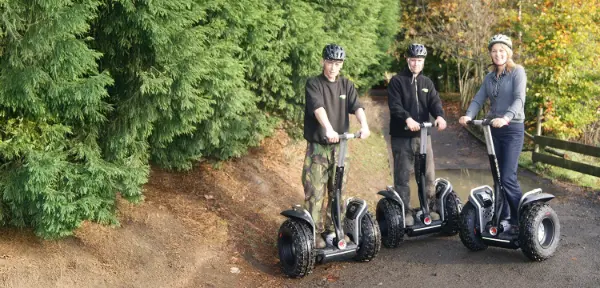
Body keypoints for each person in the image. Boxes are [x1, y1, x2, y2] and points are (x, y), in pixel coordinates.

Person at [302, 44, 371, 248]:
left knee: (338, 190)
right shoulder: (314, 84)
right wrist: (329, 129)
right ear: (324, 61)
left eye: (338, 63)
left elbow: (357, 106)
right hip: (318, 148)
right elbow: (318, 108)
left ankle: (333, 231)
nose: (333, 67)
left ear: (341, 65)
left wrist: (365, 125)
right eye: (330, 62)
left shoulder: (346, 85)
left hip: (340, 148)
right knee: (315, 191)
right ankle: (314, 234)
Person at [459, 34, 526, 234]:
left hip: (512, 129)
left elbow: (519, 99)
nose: (498, 54)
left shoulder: (517, 72)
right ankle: (503, 215)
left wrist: (506, 117)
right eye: (494, 51)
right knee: (497, 177)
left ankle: (519, 217)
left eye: (501, 50)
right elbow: (479, 99)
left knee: (507, 177)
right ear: (491, 54)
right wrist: (468, 115)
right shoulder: (489, 78)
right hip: (494, 130)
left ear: (508, 52)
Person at [387, 43, 447, 226]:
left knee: (428, 174)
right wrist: (407, 119)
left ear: (423, 62)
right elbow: (395, 105)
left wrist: (440, 116)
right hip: (402, 136)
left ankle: (428, 208)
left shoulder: (427, 83)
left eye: (419, 61)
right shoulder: (397, 81)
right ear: (407, 60)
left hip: (423, 136)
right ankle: (404, 212)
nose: (415, 64)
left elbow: (434, 102)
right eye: (413, 60)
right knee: (403, 176)